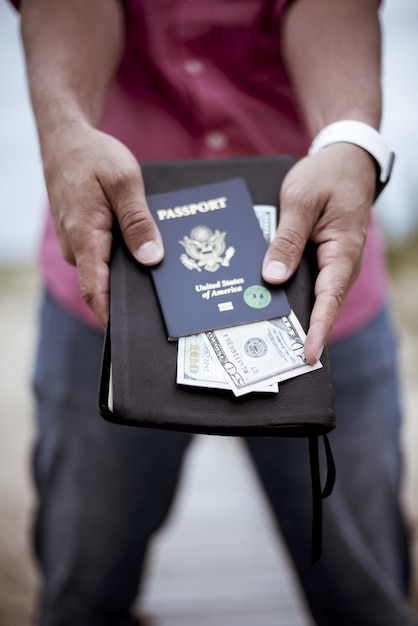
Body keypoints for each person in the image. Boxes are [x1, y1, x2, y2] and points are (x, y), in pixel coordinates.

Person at [12, 0, 417, 624]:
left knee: (366, 591)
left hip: (317, 277)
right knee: (82, 587)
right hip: (108, 279)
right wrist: (63, 129)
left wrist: (350, 137)